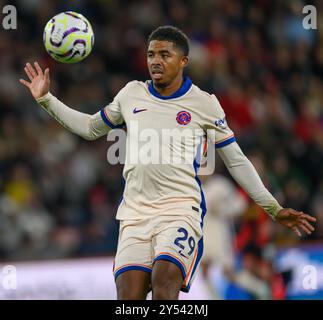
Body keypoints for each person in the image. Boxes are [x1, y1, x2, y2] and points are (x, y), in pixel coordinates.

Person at [19, 26, 316, 300]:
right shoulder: (131, 93)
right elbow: (89, 128)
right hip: (134, 216)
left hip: (179, 212)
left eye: (164, 54)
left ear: (184, 60)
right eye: (151, 55)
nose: (155, 61)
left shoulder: (204, 103)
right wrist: (46, 99)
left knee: (164, 286)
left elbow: (236, 160)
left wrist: (273, 208)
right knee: (128, 298)